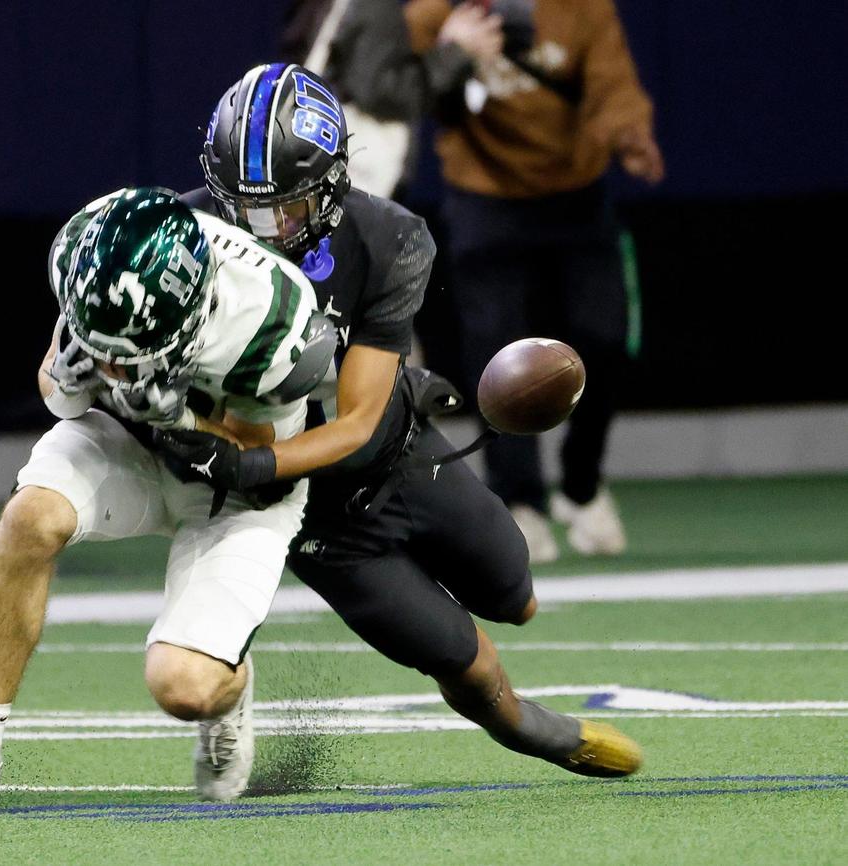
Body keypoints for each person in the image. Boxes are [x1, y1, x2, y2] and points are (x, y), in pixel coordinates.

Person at [165, 63, 642, 781]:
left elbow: (356, 421)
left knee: (517, 598)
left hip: (398, 455)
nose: (264, 230)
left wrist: (250, 464)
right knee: (465, 660)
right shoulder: (181, 236)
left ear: (330, 185)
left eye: (285, 208)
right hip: (315, 519)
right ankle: (538, 732)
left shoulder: (388, 237)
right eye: (245, 206)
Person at [0, 187, 335, 814]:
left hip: (238, 488)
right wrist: (74, 382)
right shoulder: (98, 249)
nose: (111, 367)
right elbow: (59, 385)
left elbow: (261, 457)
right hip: (127, 441)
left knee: (185, 687)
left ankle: (230, 683)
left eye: (126, 357)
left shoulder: (273, 323)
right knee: (30, 518)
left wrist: (185, 415)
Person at [404, 0, 665, 562]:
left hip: (577, 191)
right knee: (498, 352)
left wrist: (629, 133)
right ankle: (520, 501)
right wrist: (452, 50)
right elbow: (400, 92)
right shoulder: (435, 13)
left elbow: (612, 84)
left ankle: (582, 485)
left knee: (607, 336)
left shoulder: (582, 9)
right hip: (484, 195)